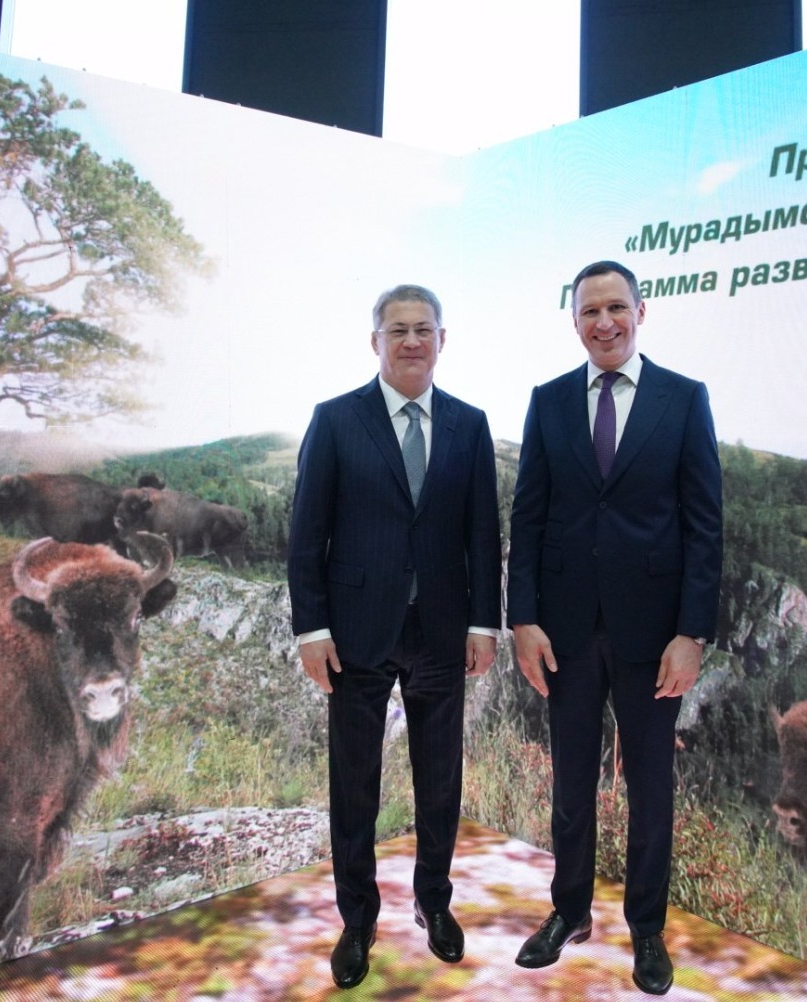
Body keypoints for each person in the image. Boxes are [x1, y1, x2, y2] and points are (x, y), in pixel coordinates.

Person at [506, 260, 723, 995]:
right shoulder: (548, 401)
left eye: (615, 308)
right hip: (564, 631)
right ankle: (569, 913)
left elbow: (704, 525)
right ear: (574, 322)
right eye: (589, 312)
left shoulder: (684, 399)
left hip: (654, 636)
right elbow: (528, 515)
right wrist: (522, 618)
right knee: (571, 781)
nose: (604, 323)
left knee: (650, 788)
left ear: (640, 311)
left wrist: (692, 633)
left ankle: (647, 929)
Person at [288, 284, 503, 990]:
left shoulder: (470, 425)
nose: (412, 341)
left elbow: (482, 533)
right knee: (355, 784)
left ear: (443, 338)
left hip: (441, 630)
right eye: (398, 329)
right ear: (375, 341)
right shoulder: (335, 419)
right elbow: (306, 533)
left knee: (440, 779)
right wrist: (312, 628)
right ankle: (358, 919)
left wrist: (483, 622)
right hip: (354, 633)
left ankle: (433, 902)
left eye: (424, 329)